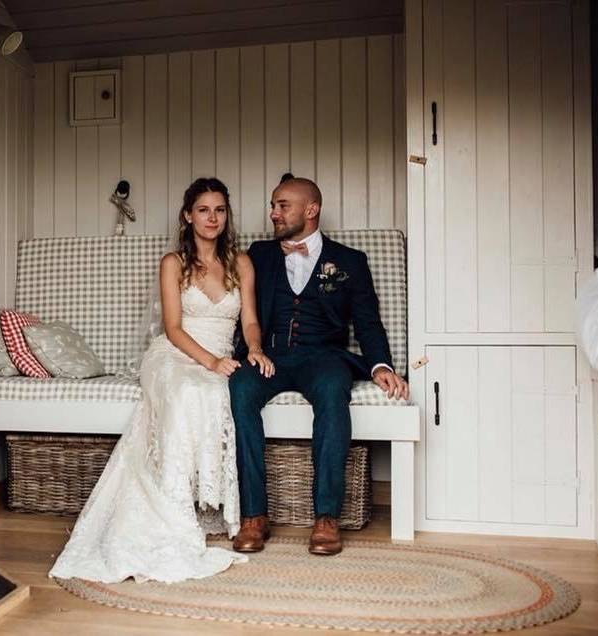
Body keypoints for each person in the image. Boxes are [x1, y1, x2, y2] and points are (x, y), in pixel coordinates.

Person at [49, 177, 274, 583]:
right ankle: (174, 506)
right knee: (190, 390)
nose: (212, 218)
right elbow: (172, 328)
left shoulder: (241, 263)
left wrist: (254, 349)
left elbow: (251, 320)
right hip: (176, 354)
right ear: (188, 216)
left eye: (220, 210)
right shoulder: (174, 262)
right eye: (203, 210)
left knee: (220, 392)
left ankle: (210, 504)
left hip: (221, 353)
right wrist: (210, 361)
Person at [229, 177, 409, 557]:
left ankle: (327, 518)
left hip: (324, 357)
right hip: (270, 356)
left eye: (282, 206)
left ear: (311, 210)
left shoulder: (349, 261)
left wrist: (379, 365)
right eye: (273, 206)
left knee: (331, 389)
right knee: (241, 389)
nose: (273, 213)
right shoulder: (258, 254)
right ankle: (253, 516)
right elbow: (239, 306)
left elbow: (368, 321)